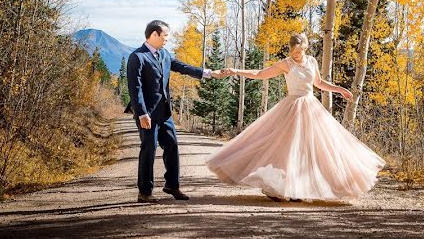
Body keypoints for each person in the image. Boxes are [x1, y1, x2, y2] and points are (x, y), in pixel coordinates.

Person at [206, 33, 385, 201]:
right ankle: (280, 187)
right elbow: (260, 74)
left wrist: (340, 89)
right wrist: (236, 71)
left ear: (305, 48)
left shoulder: (312, 62)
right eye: (293, 52)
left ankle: (300, 187)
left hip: (311, 108)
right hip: (291, 107)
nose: (296, 55)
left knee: (315, 149)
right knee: (287, 149)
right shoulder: (286, 64)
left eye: (299, 52)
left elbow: (319, 83)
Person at [127, 19, 226, 202]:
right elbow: (135, 88)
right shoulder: (137, 57)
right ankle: (145, 192)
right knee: (149, 149)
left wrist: (209, 73)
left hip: (164, 113)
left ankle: (172, 185)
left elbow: (182, 67)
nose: (167, 39)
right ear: (154, 34)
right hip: (147, 114)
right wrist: (141, 113)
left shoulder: (164, 54)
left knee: (172, 146)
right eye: (165, 36)